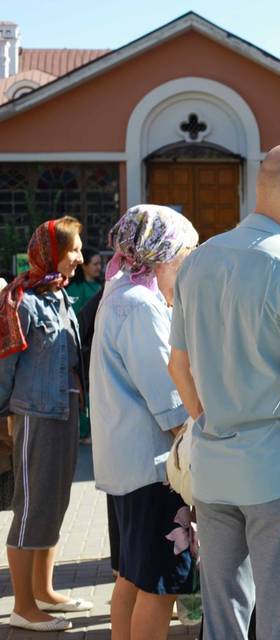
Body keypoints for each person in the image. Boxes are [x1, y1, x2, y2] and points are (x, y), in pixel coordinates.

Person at [167, 143, 280, 640]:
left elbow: (178, 364)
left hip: (216, 466)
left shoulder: (199, 260)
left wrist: (214, 419)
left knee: (223, 623)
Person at [89, 205, 199, 639]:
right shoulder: (141, 304)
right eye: (186, 255)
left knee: (132, 577)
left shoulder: (119, 293)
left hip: (127, 466)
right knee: (158, 586)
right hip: (153, 470)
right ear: (163, 253)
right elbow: (171, 402)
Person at [0, 217, 92, 631]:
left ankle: (44, 591)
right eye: (72, 249)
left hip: (64, 412)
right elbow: (5, 365)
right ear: (51, 252)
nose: (80, 257)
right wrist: (5, 414)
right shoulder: (23, 301)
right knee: (31, 507)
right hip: (35, 414)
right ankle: (23, 607)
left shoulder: (60, 297)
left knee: (55, 502)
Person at [67, 246, 102, 444]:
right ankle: (82, 431)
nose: (99, 267)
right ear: (85, 266)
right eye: (95, 264)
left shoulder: (100, 287)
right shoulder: (73, 290)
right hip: (82, 346)